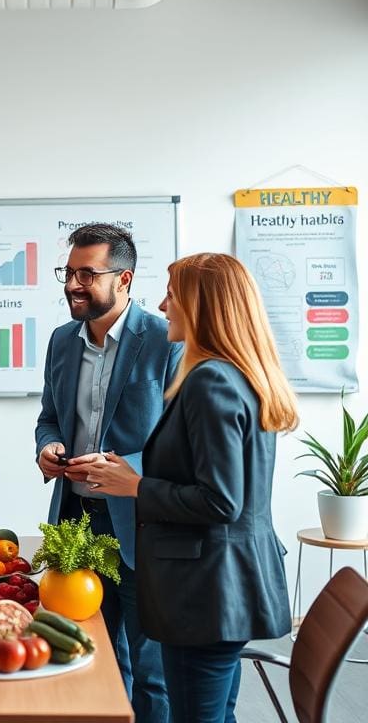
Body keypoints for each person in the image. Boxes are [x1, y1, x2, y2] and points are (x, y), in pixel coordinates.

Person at [71, 253, 297, 723]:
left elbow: (220, 501)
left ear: (202, 305)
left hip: (206, 593)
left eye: (173, 294)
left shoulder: (210, 381)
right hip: (222, 590)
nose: (162, 304)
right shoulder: (239, 376)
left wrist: (136, 487)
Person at [35, 223, 181, 723]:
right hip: (76, 522)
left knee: (150, 665)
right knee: (90, 654)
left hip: (143, 524)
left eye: (86, 274)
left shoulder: (166, 339)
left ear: (124, 280)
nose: (72, 284)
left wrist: (127, 469)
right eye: (68, 272)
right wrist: (48, 446)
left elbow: (182, 441)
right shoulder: (60, 341)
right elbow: (50, 416)